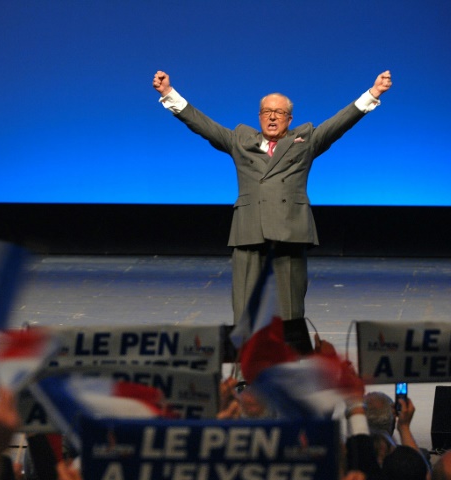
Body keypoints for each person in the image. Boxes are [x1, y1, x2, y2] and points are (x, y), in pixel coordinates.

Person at [152, 70, 393, 324]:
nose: (272, 117)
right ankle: (245, 357)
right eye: (267, 112)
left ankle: (289, 354)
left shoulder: (305, 140)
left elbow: (339, 123)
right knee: (245, 303)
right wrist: (169, 93)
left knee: (290, 304)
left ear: (289, 118)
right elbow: (203, 124)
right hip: (249, 229)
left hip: (289, 229)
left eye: (278, 112)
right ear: (259, 117)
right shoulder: (241, 140)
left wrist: (373, 93)